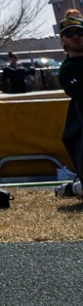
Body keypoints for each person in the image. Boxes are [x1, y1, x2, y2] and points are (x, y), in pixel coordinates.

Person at [58, 12, 83, 195]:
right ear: (63, 40)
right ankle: (71, 189)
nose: (76, 37)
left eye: (80, 32)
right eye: (69, 33)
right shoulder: (68, 70)